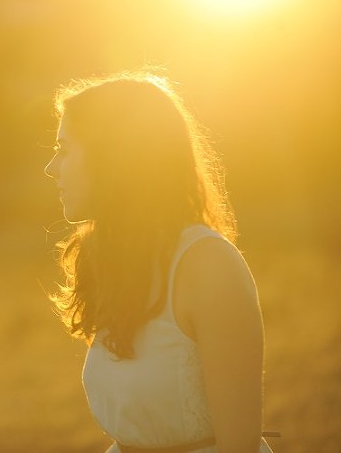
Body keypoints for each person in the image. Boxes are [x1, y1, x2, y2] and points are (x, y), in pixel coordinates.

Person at [43, 70, 274, 453]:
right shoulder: (114, 261)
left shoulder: (207, 266)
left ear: (111, 156)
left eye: (64, 149)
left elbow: (240, 445)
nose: (51, 168)